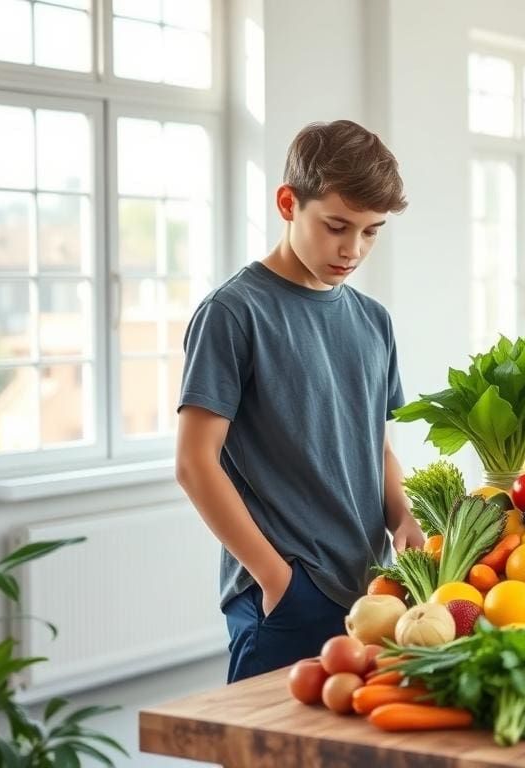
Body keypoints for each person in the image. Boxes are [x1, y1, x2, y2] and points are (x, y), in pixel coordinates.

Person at [175, 119, 425, 683]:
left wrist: (403, 515)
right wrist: (275, 580)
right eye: (336, 226)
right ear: (288, 203)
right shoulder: (233, 313)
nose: (352, 250)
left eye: (371, 232)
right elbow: (194, 463)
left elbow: (375, 445)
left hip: (373, 592)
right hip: (287, 594)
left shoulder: (373, 320)